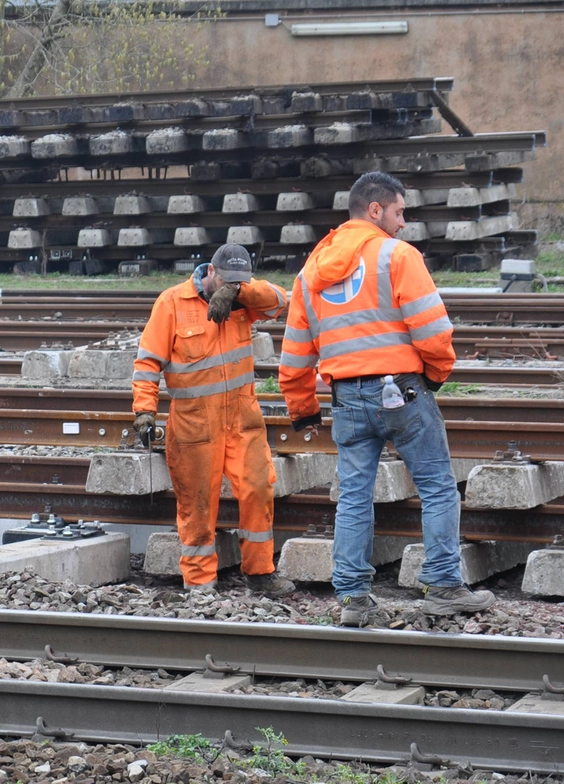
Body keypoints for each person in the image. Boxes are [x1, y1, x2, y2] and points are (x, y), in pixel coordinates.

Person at [279, 171, 495, 626]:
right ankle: (443, 586)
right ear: (375, 210)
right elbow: (433, 330)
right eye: (399, 212)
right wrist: (435, 376)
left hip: (346, 397)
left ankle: (354, 600)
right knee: (437, 486)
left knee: (354, 496)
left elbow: (296, 351)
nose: (403, 222)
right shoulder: (398, 255)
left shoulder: (310, 272)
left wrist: (303, 409)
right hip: (402, 390)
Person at [131, 244, 294, 595]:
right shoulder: (172, 303)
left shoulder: (242, 302)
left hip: (242, 420)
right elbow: (147, 362)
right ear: (210, 271)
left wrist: (237, 291)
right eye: (228, 279)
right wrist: (144, 411)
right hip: (194, 426)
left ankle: (260, 574)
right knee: (197, 506)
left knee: (258, 489)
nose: (234, 286)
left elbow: (281, 300)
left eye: (241, 281)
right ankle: (201, 583)